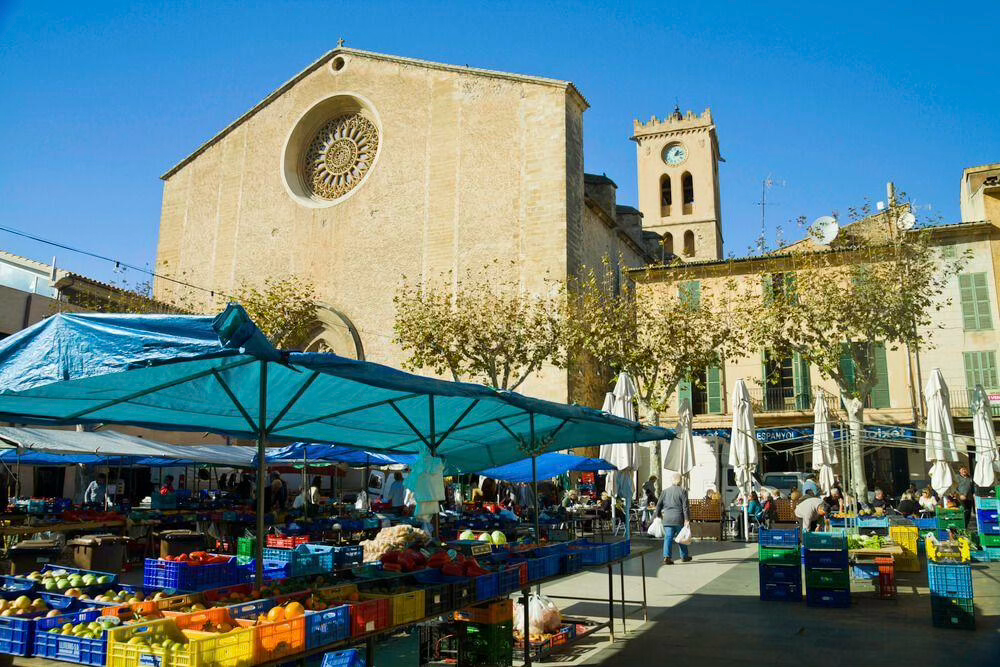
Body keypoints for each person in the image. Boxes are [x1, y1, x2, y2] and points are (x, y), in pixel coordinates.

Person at [654, 472, 691, 565]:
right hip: (679, 518)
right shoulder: (682, 491)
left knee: (668, 538)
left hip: (667, 518)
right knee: (681, 537)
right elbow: (685, 507)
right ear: (680, 481)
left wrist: (658, 515)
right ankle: (684, 556)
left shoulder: (665, 491)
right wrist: (687, 519)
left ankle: (667, 556)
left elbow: (658, 505)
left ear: (672, 480)